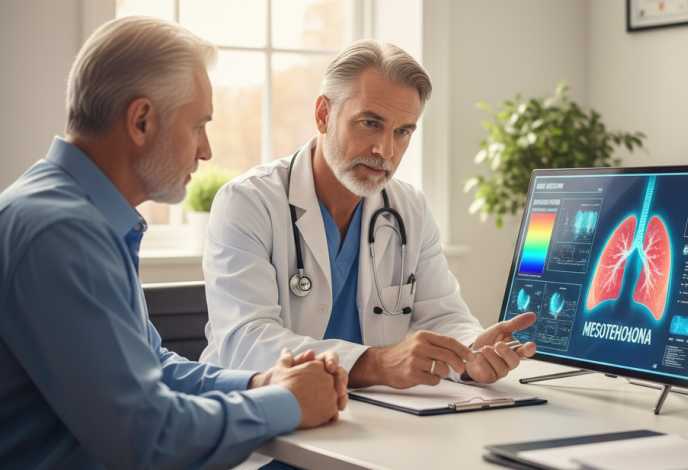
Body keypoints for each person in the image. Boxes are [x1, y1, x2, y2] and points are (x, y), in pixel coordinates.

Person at [0, 16, 347, 469]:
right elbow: (147, 435)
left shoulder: (84, 218)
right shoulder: (60, 231)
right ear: (141, 120)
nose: (206, 151)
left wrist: (262, 383)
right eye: (198, 125)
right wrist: (290, 403)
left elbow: (152, 368)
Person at [201, 39, 537, 390]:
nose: (386, 150)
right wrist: (376, 364)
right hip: (259, 415)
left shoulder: (409, 208)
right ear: (323, 115)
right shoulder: (248, 202)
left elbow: (442, 315)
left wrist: (472, 355)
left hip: (367, 414)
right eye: (369, 123)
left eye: (402, 131)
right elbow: (246, 343)